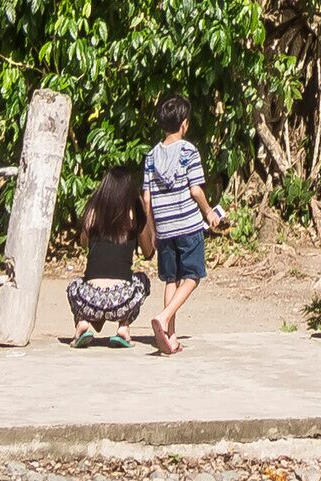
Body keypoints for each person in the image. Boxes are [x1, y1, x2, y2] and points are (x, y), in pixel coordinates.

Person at [142, 91, 225, 357]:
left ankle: (170, 337)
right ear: (184, 123)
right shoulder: (189, 151)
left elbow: (147, 198)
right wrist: (210, 213)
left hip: (164, 227)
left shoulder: (151, 156)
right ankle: (164, 317)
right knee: (192, 276)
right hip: (187, 224)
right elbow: (196, 191)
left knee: (171, 279)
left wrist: (152, 230)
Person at [66, 161, 153, 342]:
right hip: (122, 300)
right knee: (143, 280)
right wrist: (146, 209)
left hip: (89, 300)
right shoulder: (134, 216)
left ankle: (82, 323)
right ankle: (123, 326)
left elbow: (84, 243)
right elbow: (149, 252)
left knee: (74, 284)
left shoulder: (92, 213)